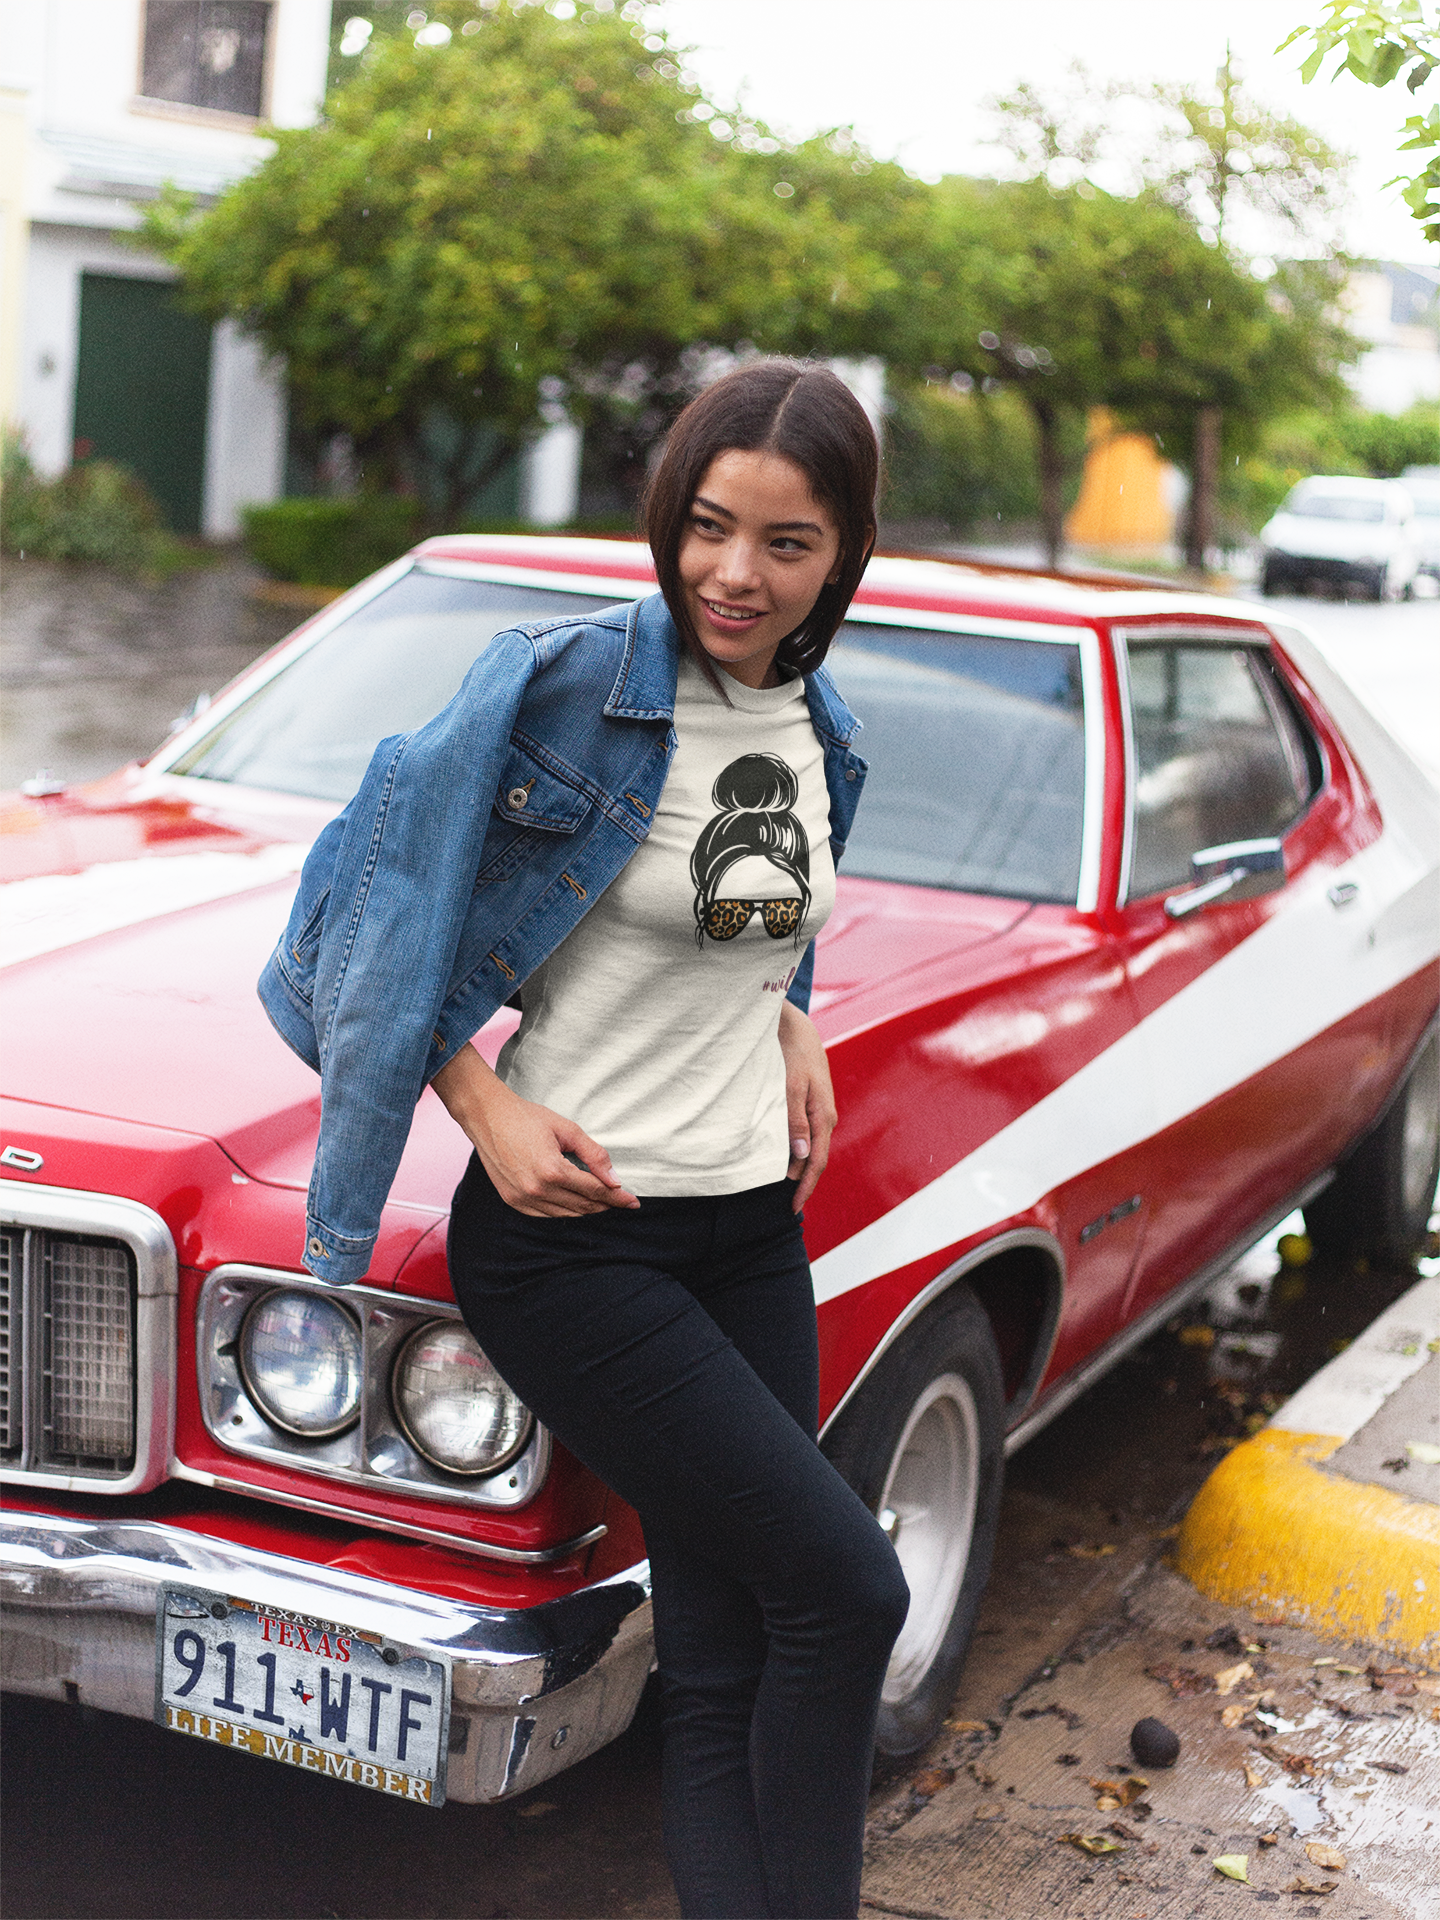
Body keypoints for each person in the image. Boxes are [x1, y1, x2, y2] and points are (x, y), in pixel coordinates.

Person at [259, 358, 909, 1920]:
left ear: (842, 556)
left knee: (722, 1643)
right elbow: (349, 918)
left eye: (786, 543)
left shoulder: (822, 727)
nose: (735, 575)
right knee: (848, 1590)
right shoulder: (557, 684)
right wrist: (478, 1100)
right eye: (708, 527)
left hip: (749, 1228)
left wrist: (785, 1007)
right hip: (575, 1244)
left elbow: (743, 918)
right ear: (666, 519)